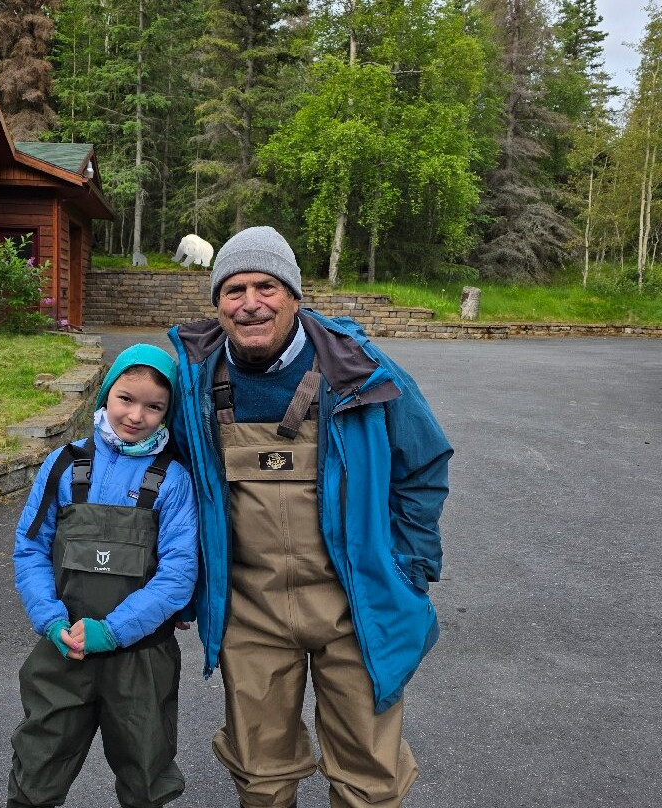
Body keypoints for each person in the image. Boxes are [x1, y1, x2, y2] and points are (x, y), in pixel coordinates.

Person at [167, 226, 453, 808]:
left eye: (266, 287)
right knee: (261, 775)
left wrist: (411, 566)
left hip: (357, 607)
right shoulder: (192, 381)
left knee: (369, 777)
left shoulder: (363, 371)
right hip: (250, 612)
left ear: (295, 296)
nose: (250, 303)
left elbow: (423, 463)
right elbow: (164, 476)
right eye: (234, 290)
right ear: (217, 303)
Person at [7, 344, 199, 808]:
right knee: (37, 767)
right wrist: (50, 620)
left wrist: (113, 631)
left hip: (141, 659)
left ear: (168, 412)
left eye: (154, 407)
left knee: (146, 774)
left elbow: (178, 574)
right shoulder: (63, 464)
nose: (136, 415)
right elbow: (30, 549)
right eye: (125, 399)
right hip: (63, 649)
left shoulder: (173, 479)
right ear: (105, 395)